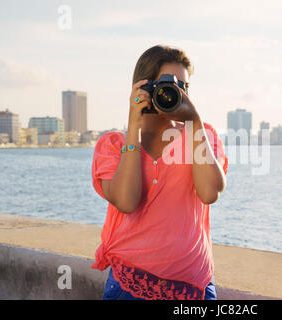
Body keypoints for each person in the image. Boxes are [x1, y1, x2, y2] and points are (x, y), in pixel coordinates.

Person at [91, 45, 228, 300]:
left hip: (192, 285)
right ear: (141, 86)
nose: (174, 93)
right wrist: (134, 126)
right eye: (166, 85)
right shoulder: (113, 145)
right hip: (129, 285)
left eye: (182, 87)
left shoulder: (201, 136)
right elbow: (127, 202)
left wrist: (194, 121)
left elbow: (210, 193)